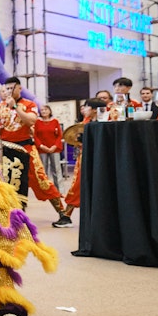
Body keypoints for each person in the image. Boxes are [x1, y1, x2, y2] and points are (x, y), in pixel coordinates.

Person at [0, 77, 66, 222]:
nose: (9, 92)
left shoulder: (29, 104)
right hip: (6, 149)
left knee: (41, 181)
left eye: (12, 88)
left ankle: (63, 213)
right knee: (6, 183)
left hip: (26, 148)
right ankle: (11, 215)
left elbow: (30, 121)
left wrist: (16, 107)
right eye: (7, 89)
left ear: (19, 89)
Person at [59, 97, 104, 228]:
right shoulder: (85, 122)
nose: (84, 109)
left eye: (87, 107)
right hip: (84, 158)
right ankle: (67, 216)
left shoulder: (104, 124)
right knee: (77, 185)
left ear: (95, 110)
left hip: (98, 158)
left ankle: (67, 216)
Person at [33, 105, 63, 189]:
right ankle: (45, 189)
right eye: (42, 110)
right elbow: (35, 136)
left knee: (56, 169)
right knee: (43, 169)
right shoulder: (37, 122)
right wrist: (41, 146)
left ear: (50, 111)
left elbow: (59, 135)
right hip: (42, 149)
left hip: (54, 148)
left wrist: (54, 146)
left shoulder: (55, 121)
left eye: (45, 109)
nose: (43, 111)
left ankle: (59, 190)